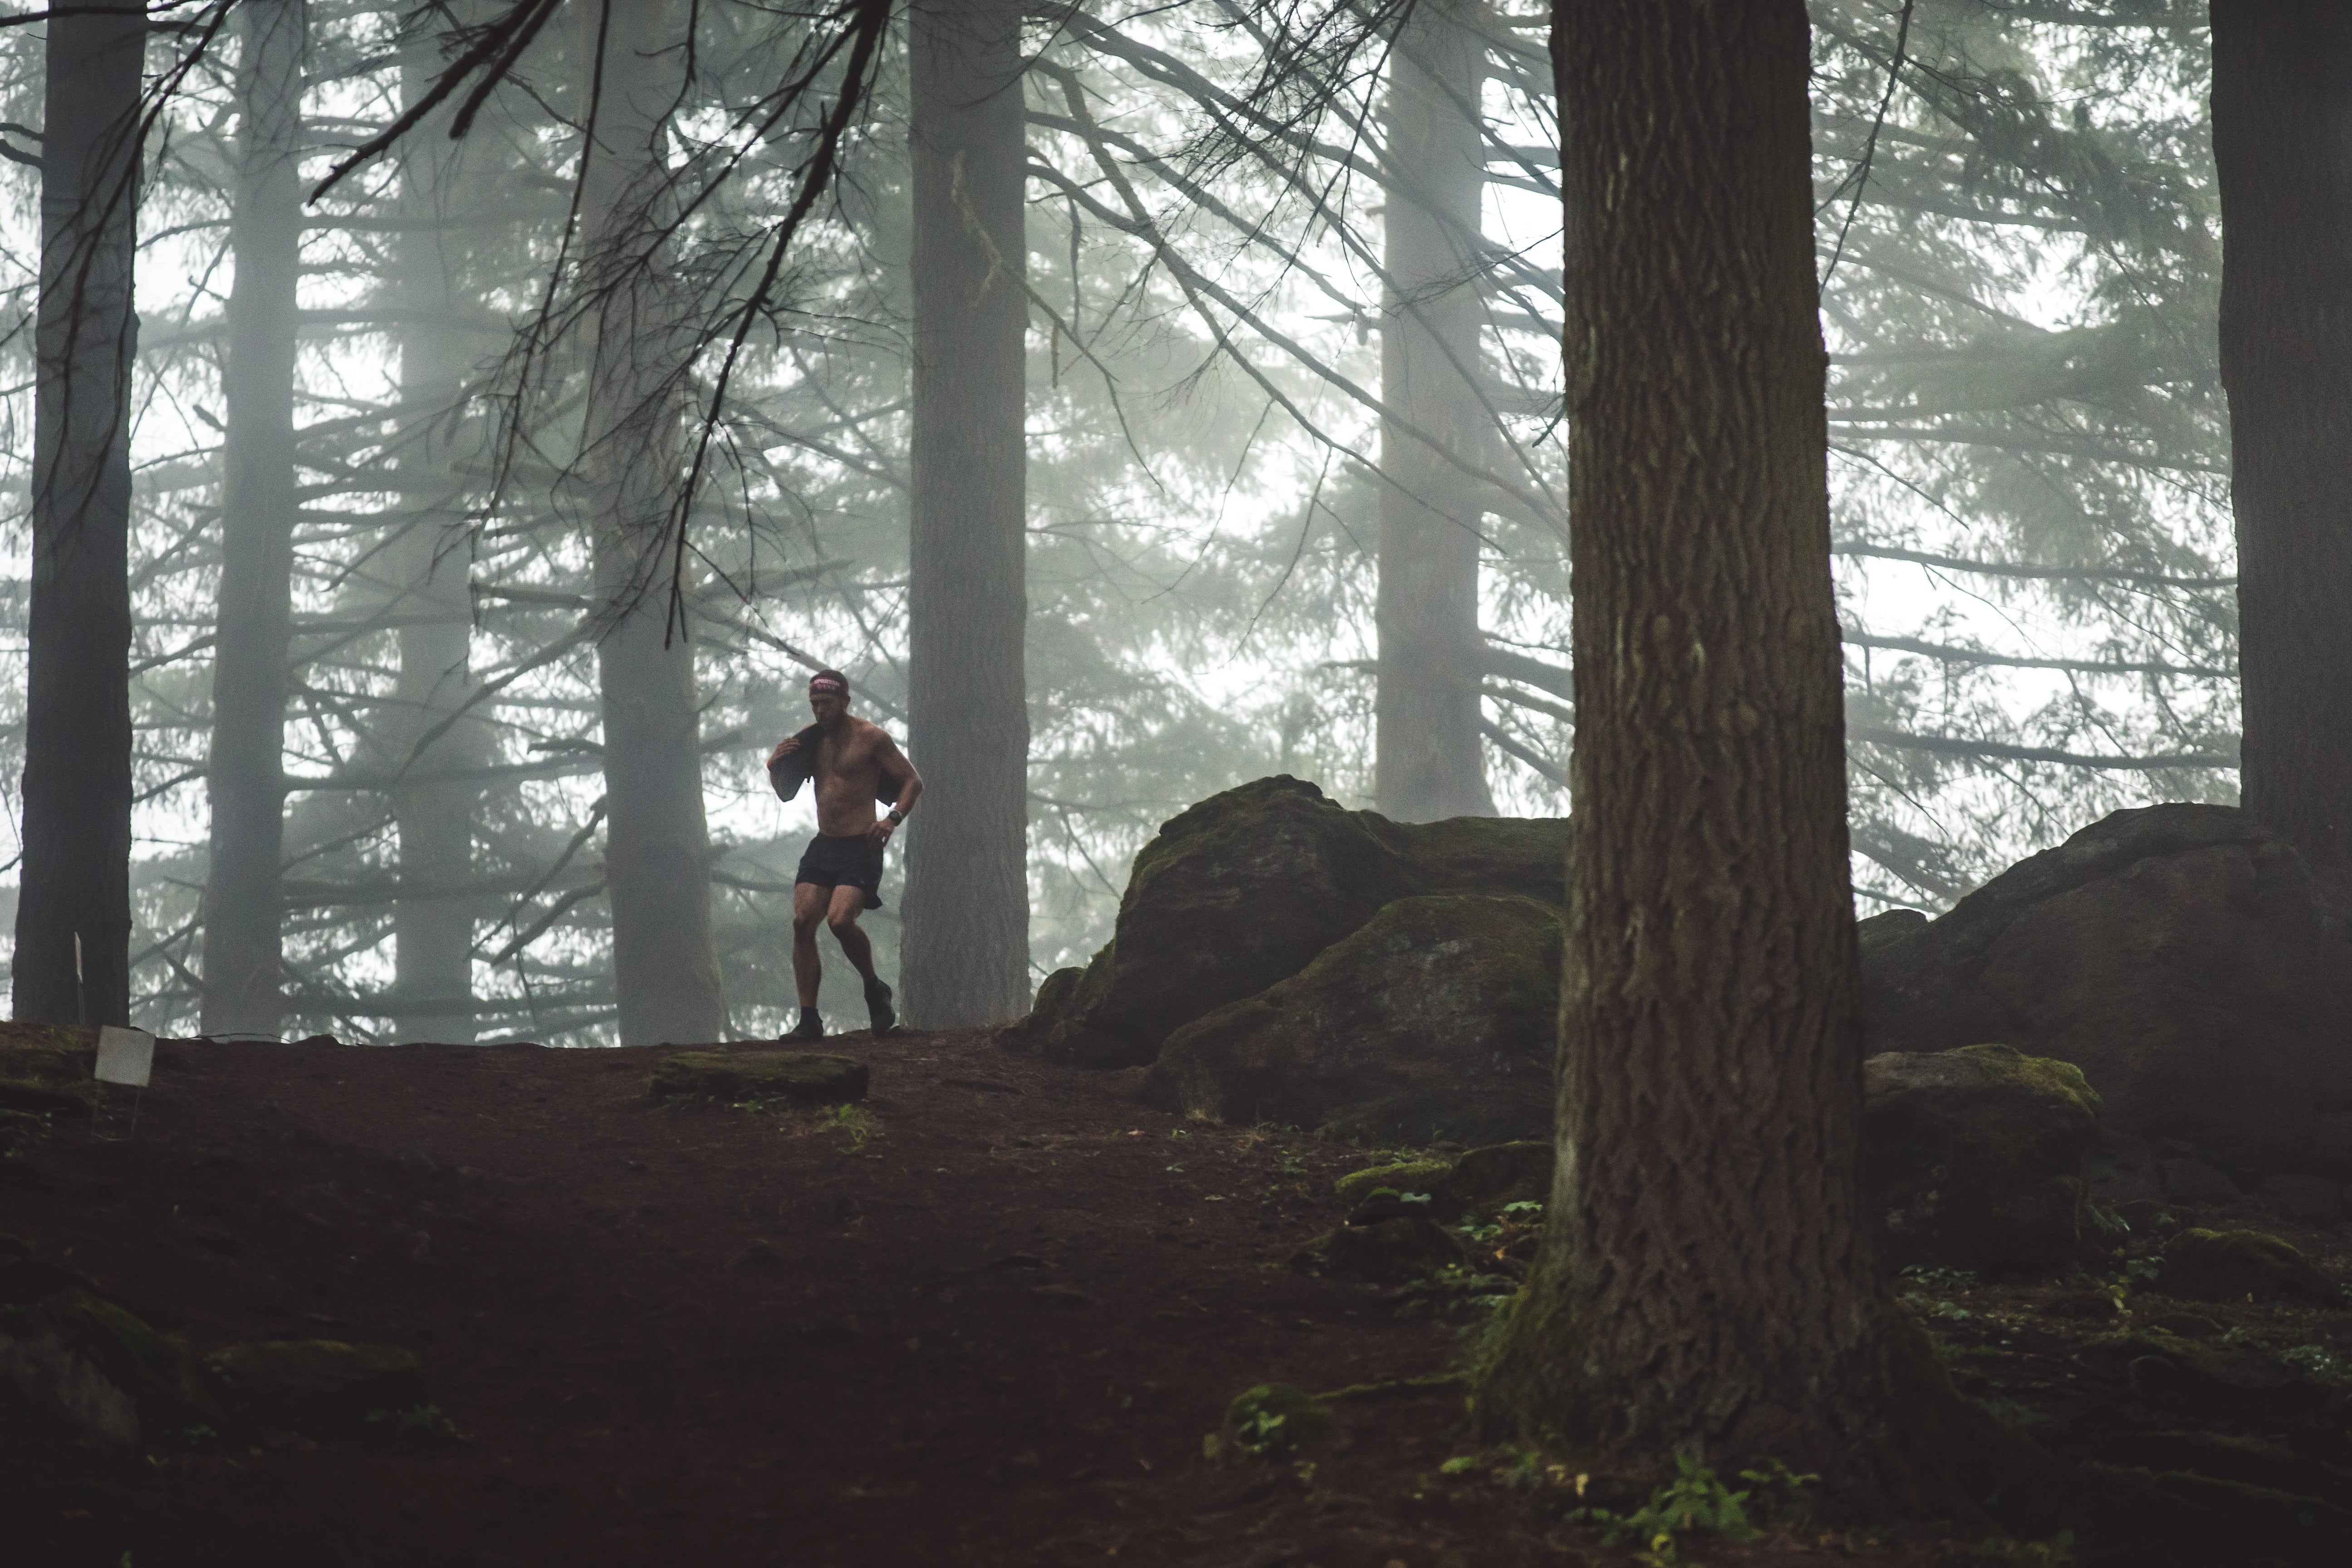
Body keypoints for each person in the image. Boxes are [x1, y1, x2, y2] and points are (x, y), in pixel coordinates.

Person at [766, 670, 922, 1039]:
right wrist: (774, 766)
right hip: (825, 844)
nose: (820, 711)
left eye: (827, 704)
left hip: (862, 844)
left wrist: (893, 819)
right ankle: (809, 1020)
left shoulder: (871, 739)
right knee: (803, 923)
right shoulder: (810, 741)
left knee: (839, 921)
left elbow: (913, 781)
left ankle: (874, 987)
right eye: (815, 704)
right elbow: (785, 793)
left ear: (845, 702)